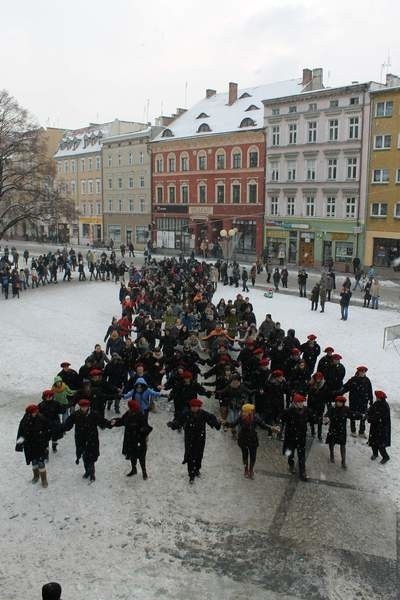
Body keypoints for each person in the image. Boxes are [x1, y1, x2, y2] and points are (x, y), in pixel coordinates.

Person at [167, 398, 221, 484]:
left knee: (199, 454)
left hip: (200, 438)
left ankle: (197, 469)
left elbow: (212, 419)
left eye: (196, 407)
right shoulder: (186, 414)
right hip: (189, 438)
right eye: (193, 407)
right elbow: (179, 421)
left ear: (199, 407)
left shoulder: (203, 414)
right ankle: (191, 474)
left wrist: (217, 424)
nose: (194, 408)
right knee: (190, 455)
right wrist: (173, 424)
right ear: (191, 407)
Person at [61, 399, 112, 482]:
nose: (84, 408)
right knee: (84, 456)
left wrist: (110, 424)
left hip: (92, 439)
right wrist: (61, 428)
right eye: (82, 407)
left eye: (85, 406)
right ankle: (87, 471)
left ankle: (92, 473)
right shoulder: (75, 415)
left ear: (88, 406)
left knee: (91, 457)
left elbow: (102, 422)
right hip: (80, 439)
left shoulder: (94, 414)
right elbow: (68, 425)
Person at [227, 403, 276, 479]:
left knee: (253, 456)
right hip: (243, 438)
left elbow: (263, 425)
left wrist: (271, 428)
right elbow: (233, 424)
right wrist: (225, 423)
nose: (243, 413)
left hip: (253, 439)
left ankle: (251, 470)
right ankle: (246, 469)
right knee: (245, 455)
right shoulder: (240, 418)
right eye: (243, 411)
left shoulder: (255, 417)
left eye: (245, 412)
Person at [111, 399, 153, 479]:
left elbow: (147, 427)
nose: (130, 409)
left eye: (131, 408)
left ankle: (144, 472)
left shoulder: (140, 415)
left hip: (139, 440)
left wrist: (142, 431)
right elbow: (122, 421)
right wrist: (115, 422)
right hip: (130, 439)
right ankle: (134, 469)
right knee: (132, 456)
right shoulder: (128, 414)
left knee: (141, 457)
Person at [15, 404, 53, 487]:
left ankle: (44, 479)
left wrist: (45, 438)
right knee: (34, 461)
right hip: (29, 445)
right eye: (34, 412)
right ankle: (36, 476)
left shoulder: (41, 418)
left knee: (41, 462)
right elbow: (21, 433)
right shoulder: (24, 420)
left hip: (40, 444)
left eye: (36, 412)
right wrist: (19, 444)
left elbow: (48, 429)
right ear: (29, 413)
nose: (36, 413)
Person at [280, 393, 311, 481]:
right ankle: (291, 465)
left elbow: (313, 418)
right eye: (299, 402)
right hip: (291, 437)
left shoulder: (306, 410)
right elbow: (281, 418)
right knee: (291, 453)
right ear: (295, 403)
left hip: (301, 437)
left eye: (302, 402)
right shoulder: (289, 411)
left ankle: (303, 472)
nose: (301, 404)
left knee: (301, 455)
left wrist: (322, 420)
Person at [342, 366, 373, 438]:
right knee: (352, 416)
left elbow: (370, 391)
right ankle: (353, 431)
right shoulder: (353, 380)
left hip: (363, 402)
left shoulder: (367, 381)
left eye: (364, 371)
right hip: (354, 402)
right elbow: (346, 387)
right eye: (361, 371)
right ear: (358, 372)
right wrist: (340, 392)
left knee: (363, 417)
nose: (362, 373)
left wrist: (371, 400)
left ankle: (361, 432)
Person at [325, 395, 352, 468]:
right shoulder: (332, 408)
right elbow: (327, 415)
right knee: (331, 443)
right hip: (333, 429)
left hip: (342, 430)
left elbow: (352, 414)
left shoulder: (346, 409)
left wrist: (360, 416)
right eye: (338, 402)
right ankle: (332, 454)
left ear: (343, 403)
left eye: (341, 402)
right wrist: (326, 419)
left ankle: (343, 461)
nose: (339, 403)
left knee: (343, 446)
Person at [367, 390, 391, 464]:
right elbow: (371, 410)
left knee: (381, 445)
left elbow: (379, 417)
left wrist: (370, 419)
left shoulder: (385, 406)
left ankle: (386, 457)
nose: (376, 398)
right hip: (375, 427)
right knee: (373, 442)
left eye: (377, 397)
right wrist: (368, 413)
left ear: (380, 398)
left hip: (382, 429)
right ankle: (375, 454)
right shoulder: (376, 403)